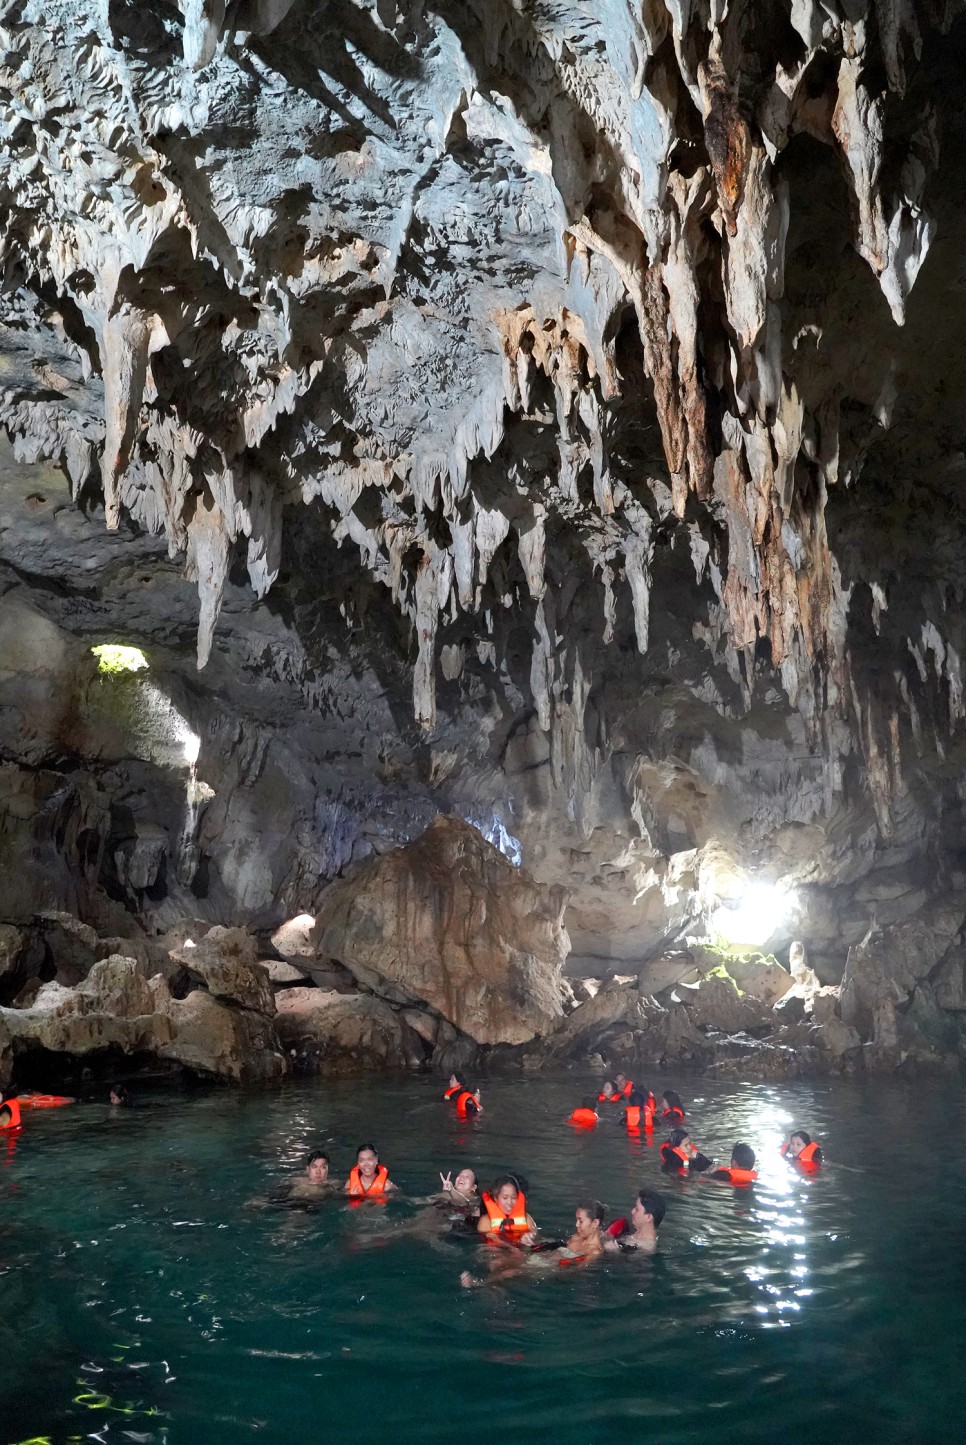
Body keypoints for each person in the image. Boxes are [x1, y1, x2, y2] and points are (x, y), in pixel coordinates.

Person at [475, 1175, 537, 1245]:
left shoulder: (526, 1218)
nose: (509, 1202)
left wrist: (531, 1235)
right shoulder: (485, 1222)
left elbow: (535, 1233)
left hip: (520, 1249)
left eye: (513, 1197)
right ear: (496, 1198)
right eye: (505, 1198)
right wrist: (513, 1248)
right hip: (496, 1252)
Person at [604, 1188, 666, 1252]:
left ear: (648, 1217)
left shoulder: (646, 1248)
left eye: (637, 1209)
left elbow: (629, 1261)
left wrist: (614, 1252)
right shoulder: (635, 1234)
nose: (632, 1211)